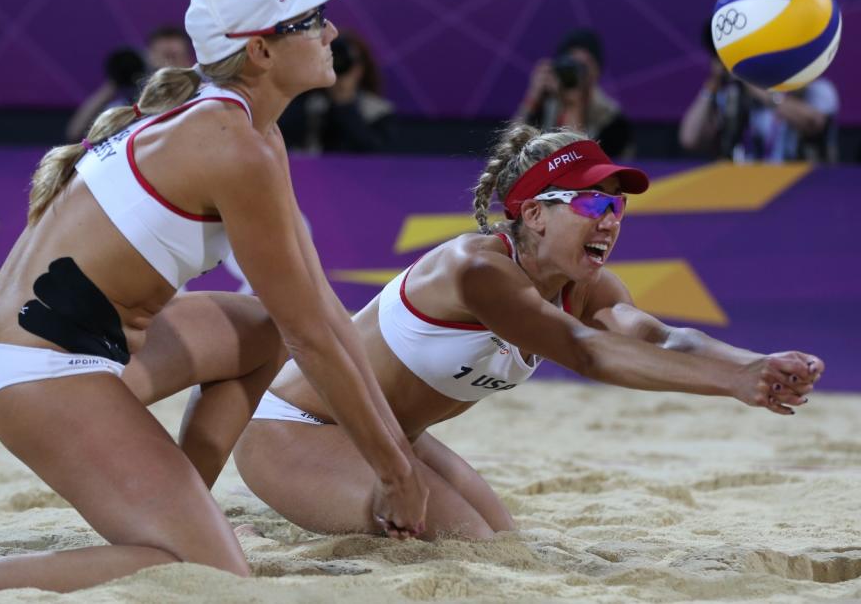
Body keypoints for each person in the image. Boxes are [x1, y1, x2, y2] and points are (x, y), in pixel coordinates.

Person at [0, 0, 428, 592]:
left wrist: (394, 460)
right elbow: (313, 336)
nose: (333, 33)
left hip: (68, 346)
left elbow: (317, 311)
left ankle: (183, 507)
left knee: (260, 332)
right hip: (37, 372)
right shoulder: (231, 144)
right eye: (312, 20)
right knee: (208, 572)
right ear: (260, 51)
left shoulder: (248, 127)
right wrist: (396, 474)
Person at [182, 123, 820, 540]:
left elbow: (657, 340)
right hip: (296, 430)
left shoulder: (586, 286)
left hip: (389, 433)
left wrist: (754, 363)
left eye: (618, 206)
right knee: (466, 552)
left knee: (500, 544)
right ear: (536, 215)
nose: (612, 219)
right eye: (594, 203)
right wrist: (730, 383)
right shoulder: (476, 271)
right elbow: (588, 354)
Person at [679, 28, 839, 162]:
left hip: (795, 186)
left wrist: (754, 86)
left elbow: (813, 123)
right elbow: (690, 139)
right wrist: (712, 85)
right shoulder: (731, 93)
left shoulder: (817, 89)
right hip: (741, 185)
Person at [65, 27, 196, 143]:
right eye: (159, 57)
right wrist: (117, 80)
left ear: (189, 61)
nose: (164, 64)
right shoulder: (128, 107)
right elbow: (76, 134)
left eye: (172, 57)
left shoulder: (201, 99)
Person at [515, 29, 632, 157]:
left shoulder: (613, 120)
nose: (576, 74)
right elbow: (510, 151)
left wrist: (573, 106)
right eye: (570, 66)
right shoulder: (544, 106)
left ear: (597, 72)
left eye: (583, 66)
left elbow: (581, 165)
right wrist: (532, 98)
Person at [279, 29, 394, 153]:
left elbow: (379, 157)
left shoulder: (378, 111)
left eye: (347, 60)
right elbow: (285, 144)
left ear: (360, 68)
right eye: (332, 58)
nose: (338, 65)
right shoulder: (303, 103)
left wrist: (345, 102)